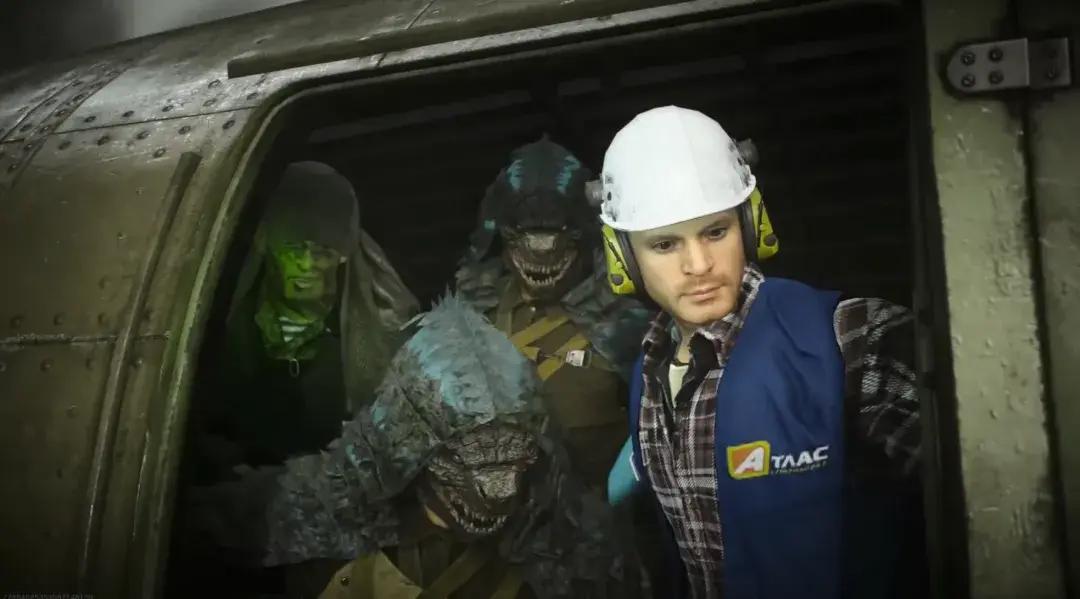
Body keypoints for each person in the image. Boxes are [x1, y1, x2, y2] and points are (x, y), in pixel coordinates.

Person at [598, 106, 922, 599]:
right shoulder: (647, 373)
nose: (699, 264)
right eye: (665, 245)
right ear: (623, 257)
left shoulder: (849, 337)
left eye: (716, 231)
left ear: (750, 224)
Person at [185, 295, 649, 599]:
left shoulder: (570, 541)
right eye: (472, 461)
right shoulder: (312, 509)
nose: (502, 489)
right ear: (408, 441)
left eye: (515, 459)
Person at [455, 137, 652, 491]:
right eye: (527, 237)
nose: (541, 251)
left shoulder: (625, 318)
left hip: (598, 500)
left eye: (555, 237)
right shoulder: (472, 310)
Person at [201, 161, 419, 469]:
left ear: (342, 255)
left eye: (321, 251)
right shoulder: (230, 327)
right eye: (293, 247)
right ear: (268, 245)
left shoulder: (378, 331)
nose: (306, 264)